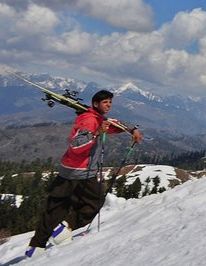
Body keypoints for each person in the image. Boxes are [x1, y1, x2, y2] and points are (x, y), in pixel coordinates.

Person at [26, 89, 143, 257]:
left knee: (54, 209)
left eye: (110, 102)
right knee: (94, 203)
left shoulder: (96, 118)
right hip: (81, 172)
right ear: (96, 104)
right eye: (105, 102)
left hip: (67, 169)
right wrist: (96, 133)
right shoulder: (89, 121)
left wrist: (131, 130)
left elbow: (113, 124)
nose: (109, 105)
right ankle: (65, 227)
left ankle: (35, 248)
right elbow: (76, 145)